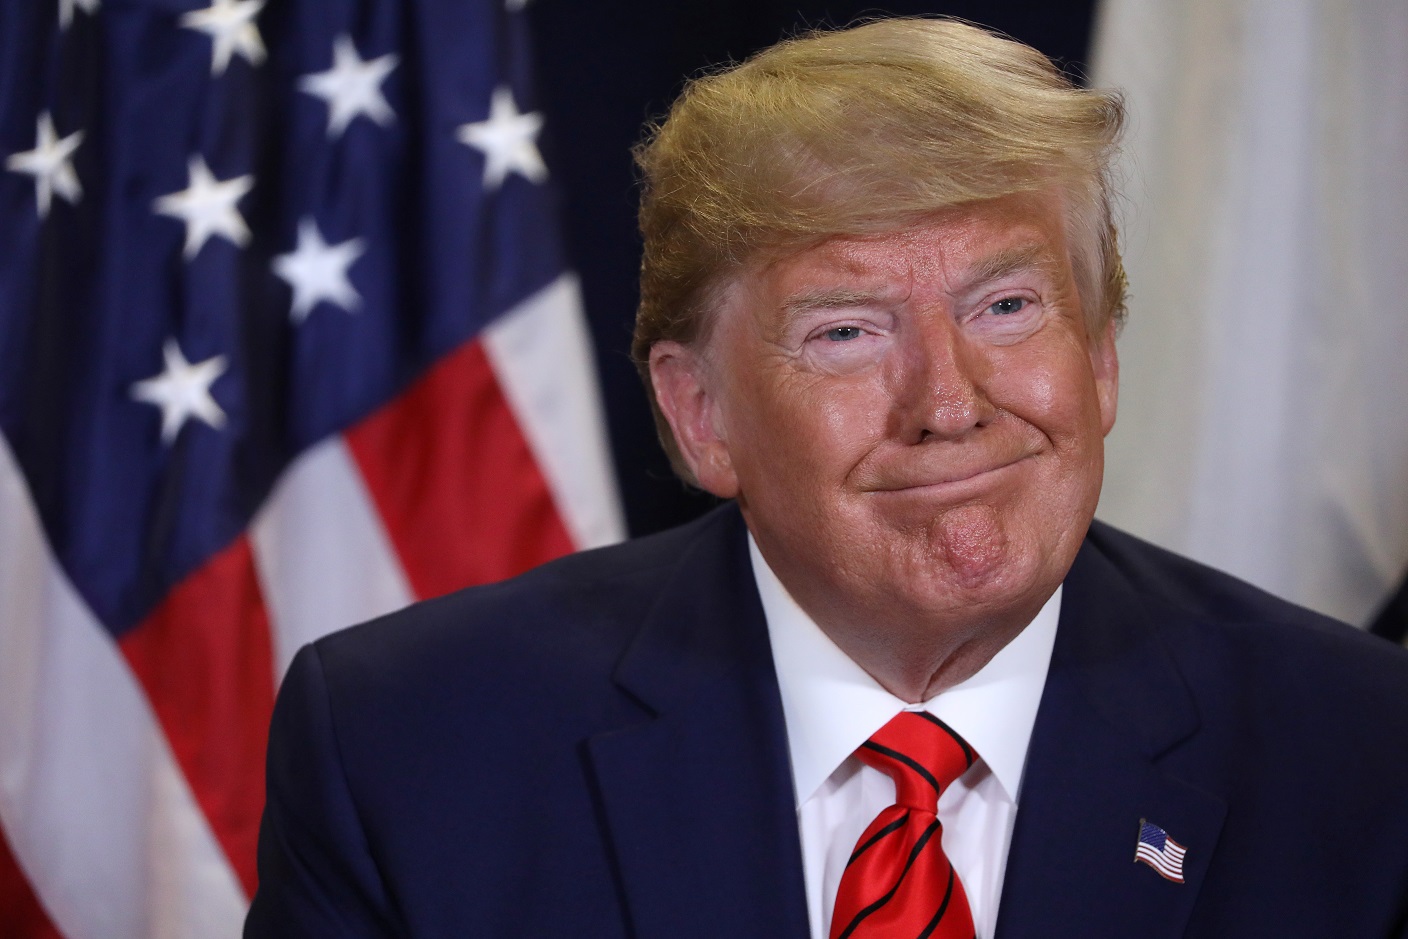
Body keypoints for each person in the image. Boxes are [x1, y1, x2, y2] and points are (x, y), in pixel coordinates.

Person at [245, 17, 1408, 939]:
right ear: (700, 415)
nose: (949, 405)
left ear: (1099, 359)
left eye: (1006, 308)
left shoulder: (1362, 753)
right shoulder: (411, 748)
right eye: (847, 332)